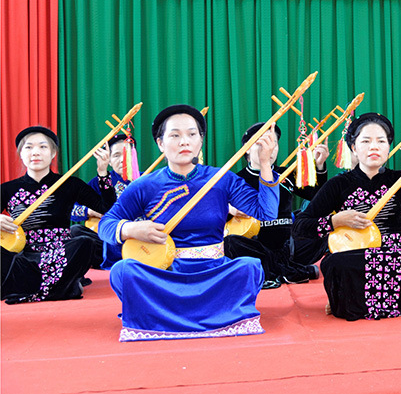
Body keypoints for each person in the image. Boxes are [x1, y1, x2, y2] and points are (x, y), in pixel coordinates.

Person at [97, 105, 279, 341]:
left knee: (250, 267)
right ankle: (215, 313)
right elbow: (106, 225)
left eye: (192, 134)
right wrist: (130, 228)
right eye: (175, 135)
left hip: (213, 271)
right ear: (161, 144)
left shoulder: (221, 178)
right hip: (166, 274)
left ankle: (163, 316)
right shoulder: (145, 185)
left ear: (200, 141)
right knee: (122, 272)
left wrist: (265, 165)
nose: (185, 141)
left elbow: (266, 212)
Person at [293, 113, 401, 321]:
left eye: (381, 141)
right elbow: (300, 227)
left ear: (388, 148)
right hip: (357, 257)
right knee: (334, 263)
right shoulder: (338, 184)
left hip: (396, 255)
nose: (374, 146)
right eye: (366, 141)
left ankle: (355, 300)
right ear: (354, 147)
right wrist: (335, 221)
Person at [1, 127, 116, 304]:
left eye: (43, 147)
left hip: (60, 252)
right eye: (29, 147)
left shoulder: (70, 184)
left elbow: (107, 209)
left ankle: (24, 286)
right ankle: (60, 286)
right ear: (21, 154)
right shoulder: (7, 189)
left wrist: (102, 173)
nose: (35, 152)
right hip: (23, 256)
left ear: (53, 153)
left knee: (84, 243)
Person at [225, 123, 329, 286]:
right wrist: (229, 210)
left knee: (324, 229)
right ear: (246, 149)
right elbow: (213, 213)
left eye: (273, 143)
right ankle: (287, 270)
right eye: (262, 143)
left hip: (290, 247)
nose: (269, 149)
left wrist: (320, 165)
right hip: (256, 247)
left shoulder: (285, 174)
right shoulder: (236, 180)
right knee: (230, 243)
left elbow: (317, 196)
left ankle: (275, 270)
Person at [70, 133, 138, 270]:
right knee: (75, 231)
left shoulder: (145, 179)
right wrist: (91, 211)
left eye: (127, 155)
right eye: (117, 155)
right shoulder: (98, 182)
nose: (122, 160)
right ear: (110, 161)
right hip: (108, 242)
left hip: (138, 239)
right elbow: (71, 210)